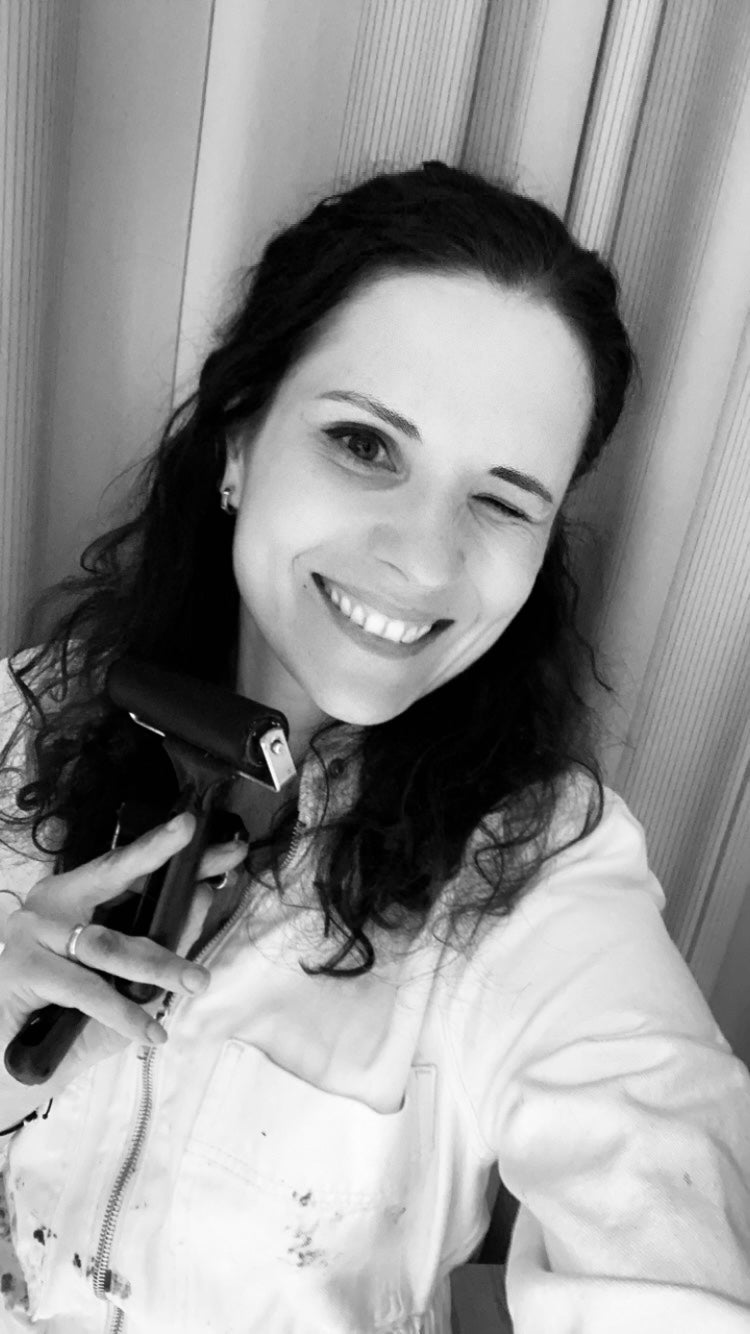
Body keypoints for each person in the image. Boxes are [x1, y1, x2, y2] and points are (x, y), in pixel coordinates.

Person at [0, 161, 748, 1334]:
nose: (421, 558)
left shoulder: (544, 873)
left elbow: (660, 1184)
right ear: (239, 441)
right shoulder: (18, 720)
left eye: (501, 500)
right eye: (364, 443)